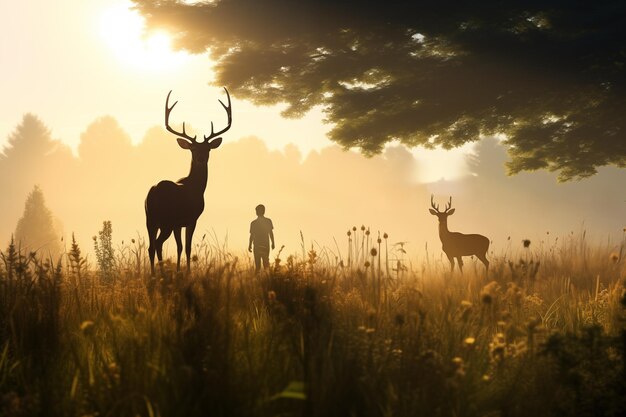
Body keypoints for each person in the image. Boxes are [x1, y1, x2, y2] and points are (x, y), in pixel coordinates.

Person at [248, 204, 275, 272]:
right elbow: (270, 233)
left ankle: (258, 280)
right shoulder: (268, 221)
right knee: (266, 263)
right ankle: (266, 279)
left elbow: (252, 235)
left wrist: (250, 245)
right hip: (265, 245)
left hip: (257, 245)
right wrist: (273, 243)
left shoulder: (253, 223)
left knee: (258, 266)